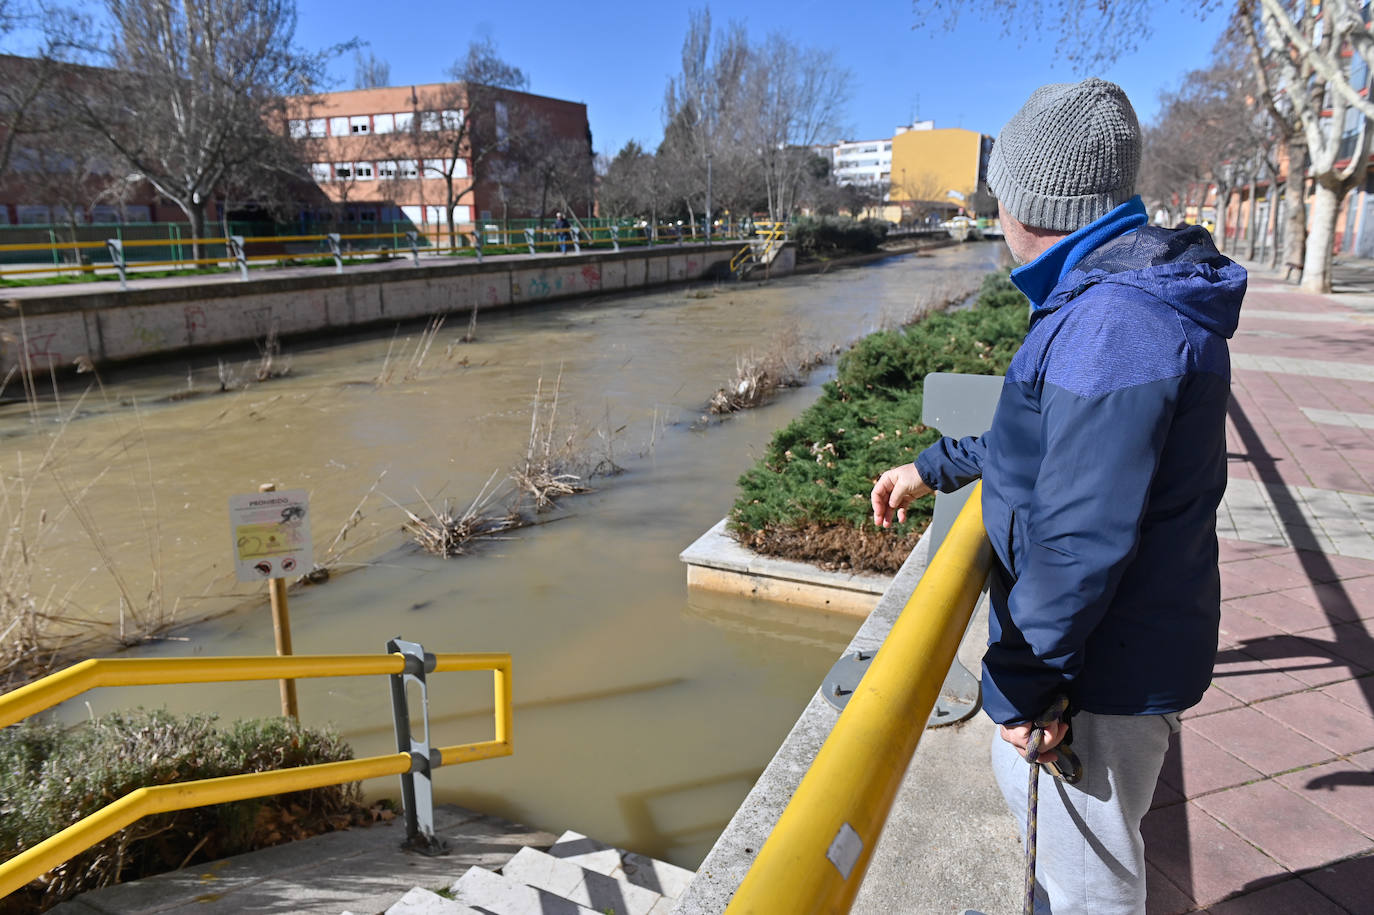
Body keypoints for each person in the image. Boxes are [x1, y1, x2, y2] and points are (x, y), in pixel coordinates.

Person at [870, 78, 1246, 914]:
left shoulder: (1114, 326)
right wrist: (932, 468)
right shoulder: (1107, 299)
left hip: (1097, 675)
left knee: (1092, 887)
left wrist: (1024, 683)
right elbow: (1037, 435)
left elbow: (1081, 536)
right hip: (1105, 653)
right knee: (1075, 867)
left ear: (1030, 204)